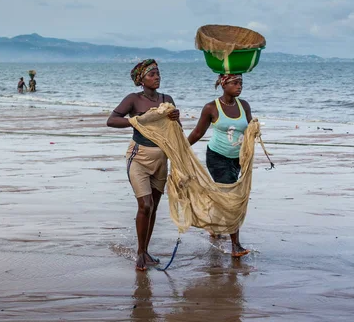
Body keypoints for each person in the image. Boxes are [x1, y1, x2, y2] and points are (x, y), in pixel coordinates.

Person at [106, 59, 180, 271]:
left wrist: (176, 117)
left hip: (161, 159)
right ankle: (140, 253)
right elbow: (111, 120)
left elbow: (175, 130)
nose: (156, 77)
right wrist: (136, 121)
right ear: (141, 80)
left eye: (158, 73)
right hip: (138, 157)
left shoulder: (167, 99)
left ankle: (146, 250)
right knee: (145, 205)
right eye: (152, 74)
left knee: (154, 207)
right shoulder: (133, 100)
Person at [187, 73, 252, 257]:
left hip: (236, 159)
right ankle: (236, 245)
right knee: (232, 198)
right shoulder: (211, 108)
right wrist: (181, 147)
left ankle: (214, 226)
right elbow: (198, 132)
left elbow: (249, 130)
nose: (239, 86)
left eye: (241, 83)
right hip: (216, 157)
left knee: (223, 194)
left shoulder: (244, 105)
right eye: (235, 83)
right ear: (223, 85)